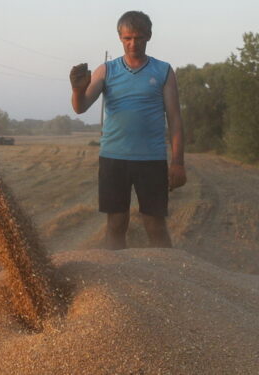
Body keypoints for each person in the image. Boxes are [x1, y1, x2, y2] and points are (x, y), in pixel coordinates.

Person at [70, 10, 186, 249]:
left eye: (139, 37)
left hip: (151, 158)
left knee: (155, 224)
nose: (133, 43)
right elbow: (80, 108)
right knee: (116, 223)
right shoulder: (106, 70)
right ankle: (116, 280)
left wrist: (177, 162)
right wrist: (77, 90)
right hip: (114, 157)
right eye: (127, 38)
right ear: (120, 38)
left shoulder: (163, 71)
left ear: (149, 36)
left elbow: (175, 119)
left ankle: (168, 280)